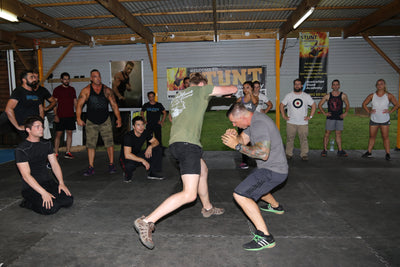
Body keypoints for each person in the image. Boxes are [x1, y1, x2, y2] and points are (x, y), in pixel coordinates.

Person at [133, 72, 237, 250]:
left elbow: (173, 118)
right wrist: (223, 93)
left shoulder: (178, 96)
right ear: (202, 84)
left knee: (202, 171)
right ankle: (147, 221)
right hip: (188, 146)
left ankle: (207, 208)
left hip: (176, 145)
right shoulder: (201, 90)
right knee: (189, 194)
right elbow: (233, 88)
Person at [222, 103, 288, 251]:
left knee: (240, 194)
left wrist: (237, 147)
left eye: (234, 122)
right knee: (256, 185)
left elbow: (263, 154)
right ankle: (276, 206)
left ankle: (265, 237)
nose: (234, 124)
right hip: (271, 169)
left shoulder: (259, 124)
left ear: (243, 117)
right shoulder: (252, 122)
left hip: (273, 171)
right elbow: (242, 140)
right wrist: (235, 137)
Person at [15, 116, 73, 215]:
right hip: (31, 187)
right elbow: (26, 176)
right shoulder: (21, 149)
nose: (41, 128)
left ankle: (48, 196)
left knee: (68, 200)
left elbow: (54, 164)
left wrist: (61, 183)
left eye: (42, 126)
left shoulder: (46, 144)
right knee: (51, 208)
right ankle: (27, 202)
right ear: (28, 130)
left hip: (47, 182)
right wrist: (43, 193)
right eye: (37, 127)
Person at [76, 69, 122, 176]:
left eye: (99, 76)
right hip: (91, 121)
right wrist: (78, 118)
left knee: (109, 143)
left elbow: (114, 105)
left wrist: (119, 118)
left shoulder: (107, 90)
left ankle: (111, 164)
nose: (98, 78)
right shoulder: (86, 91)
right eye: (95, 76)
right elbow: (79, 105)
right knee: (91, 145)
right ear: (91, 78)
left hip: (105, 120)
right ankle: (91, 166)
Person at [361, 79, 399, 160]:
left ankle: (388, 154)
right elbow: (364, 104)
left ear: (384, 85)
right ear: (376, 86)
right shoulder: (372, 95)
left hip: (384, 120)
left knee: (385, 137)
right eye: (378, 84)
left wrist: (390, 111)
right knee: (372, 136)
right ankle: (369, 152)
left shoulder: (389, 96)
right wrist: (369, 111)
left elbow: (397, 104)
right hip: (374, 119)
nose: (379, 85)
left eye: (381, 84)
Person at [280, 78, 316, 161]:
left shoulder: (306, 96)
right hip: (291, 122)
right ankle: (288, 154)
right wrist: (284, 115)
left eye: (299, 84)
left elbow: (314, 105)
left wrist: (310, 116)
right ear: (294, 85)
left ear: (302, 86)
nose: (297, 86)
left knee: (303, 139)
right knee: (289, 139)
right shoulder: (289, 95)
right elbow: (281, 105)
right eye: (295, 84)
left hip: (303, 123)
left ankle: (304, 154)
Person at [120, 116, 164, 183]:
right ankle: (127, 174)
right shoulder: (128, 136)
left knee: (157, 148)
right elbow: (127, 155)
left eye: (142, 124)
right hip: (126, 159)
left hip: (137, 155)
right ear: (133, 127)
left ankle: (152, 173)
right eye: (138, 125)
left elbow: (156, 142)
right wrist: (143, 160)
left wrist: (150, 147)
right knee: (129, 167)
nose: (141, 127)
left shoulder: (145, 132)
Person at [5, 70, 44, 139]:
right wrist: (17, 126)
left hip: (35, 128)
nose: (34, 79)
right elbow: (8, 109)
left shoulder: (34, 92)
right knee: (29, 147)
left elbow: (40, 109)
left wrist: (40, 123)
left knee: (37, 147)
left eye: (34, 77)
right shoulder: (18, 91)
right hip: (25, 128)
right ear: (24, 80)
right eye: (31, 77)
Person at [318, 80, 350, 157]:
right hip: (330, 118)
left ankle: (340, 150)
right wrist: (324, 113)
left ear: (339, 86)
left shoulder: (343, 95)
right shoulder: (328, 96)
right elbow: (319, 105)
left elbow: (347, 105)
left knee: (338, 134)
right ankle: (325, 150)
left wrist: (345, 113)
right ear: (332, 86)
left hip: (339, 118)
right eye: (334, 85)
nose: (335, 86)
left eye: (337, 85)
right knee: (327, 133)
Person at [52, 72, 77, 159]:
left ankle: (68, 152)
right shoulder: (57, 90)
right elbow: (54, 103)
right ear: (61, 80)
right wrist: (55, 115)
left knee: (69, 134)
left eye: (68, 79)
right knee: (58, 134)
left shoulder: (72, 89)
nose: (66, 81)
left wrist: (77, 113)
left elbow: (75, 102)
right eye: (65, 79)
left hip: (70, 115)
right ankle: (55, 153)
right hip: (60, 116)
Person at [236, 81, 258, 169]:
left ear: (252, 88)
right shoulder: (240, 99)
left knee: (254, 142)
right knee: (243, 143)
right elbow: (235, 110)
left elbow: (255, 102)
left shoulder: (255, 97)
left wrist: (250, 93)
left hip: (252, 124)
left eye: (248, 87)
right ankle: (244, 161)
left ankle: (258, 160)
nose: (245, 89)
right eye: (244, 88)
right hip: (242, 124)